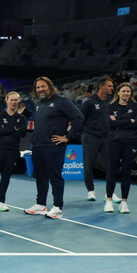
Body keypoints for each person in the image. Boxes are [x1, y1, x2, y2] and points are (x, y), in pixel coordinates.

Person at [24, 76, 84, 219]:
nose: (40, 89)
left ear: (50, 86)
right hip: (38, 146)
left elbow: (79, 118)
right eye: (38, 87)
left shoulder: (62, 102)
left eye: (43, 86)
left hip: (54, 147)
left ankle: (57, 207)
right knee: (40, 177)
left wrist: (68, 137)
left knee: (55, 177)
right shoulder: (39, 104)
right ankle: (40, 205)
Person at [103, 82, 137, 214]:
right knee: (111, 171)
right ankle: (109, 200)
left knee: (126, 172)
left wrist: (119, 122)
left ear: (130, 93)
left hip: (130, 142)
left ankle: (124, 202)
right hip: (113, 142)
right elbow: (110, 124)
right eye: (123, 91)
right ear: (118, 93)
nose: (126, 93)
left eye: (128, 91)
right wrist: (128, 121)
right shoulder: (110, 106)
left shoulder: (136, 106)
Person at [80, 77, 114, 201]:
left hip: (106, 138)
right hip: (90, 136)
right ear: (101, 87)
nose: (112, 88)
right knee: (88, 164)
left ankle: (110, 192)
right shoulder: (89, 103)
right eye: (109, 86)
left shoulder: (111, 103)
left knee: (110, 165)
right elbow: (80, 119)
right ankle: (90, 190)